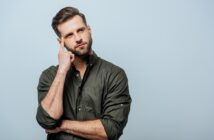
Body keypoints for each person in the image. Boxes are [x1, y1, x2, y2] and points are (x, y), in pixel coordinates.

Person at [36, 6, 131, 140]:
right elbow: (47, 121)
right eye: (69, 35)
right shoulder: (50, 76)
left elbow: (111, 129)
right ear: (60, 42)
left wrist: (62, 125)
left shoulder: (115, 74)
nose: (78, 38)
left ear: (89, 30)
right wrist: (62, 71)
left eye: (80, 30)